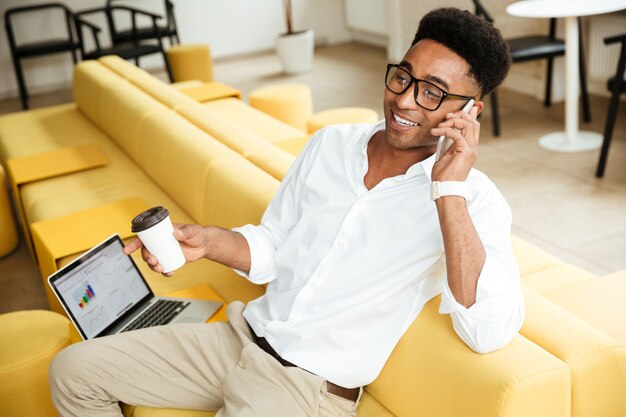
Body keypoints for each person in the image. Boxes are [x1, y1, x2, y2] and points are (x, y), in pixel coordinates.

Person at [49, 7, 524, 417]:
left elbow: (487, 330)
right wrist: (208, 241)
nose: (403, 100)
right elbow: (275, 245)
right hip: (238, 339)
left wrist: (448, 190)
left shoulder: (472, 201)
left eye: (433, 93)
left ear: (469, 111)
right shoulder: (330, 144)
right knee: (73, 372)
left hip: (303, 387)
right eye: (403, 77)